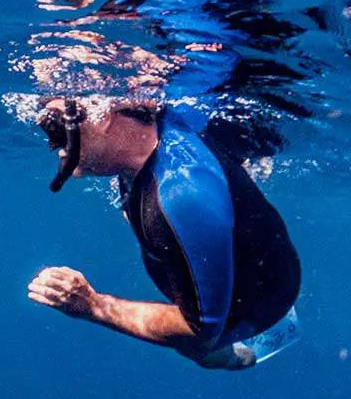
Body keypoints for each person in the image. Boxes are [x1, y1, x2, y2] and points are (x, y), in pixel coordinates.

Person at [27, 98, 301, 370]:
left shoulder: (181, 197)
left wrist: (93, 305)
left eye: (60, 131)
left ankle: (235, 359)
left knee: (198, 347)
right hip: (259, 263)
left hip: (256, 308)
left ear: (109, 111)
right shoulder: (165, 129)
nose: (68, 163)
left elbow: (200, 331)